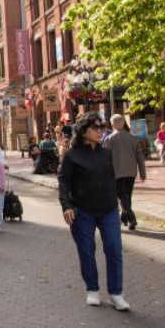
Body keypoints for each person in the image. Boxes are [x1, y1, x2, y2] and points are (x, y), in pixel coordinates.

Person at [58, 113, 129, 311]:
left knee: (114, 249)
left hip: (108, 210)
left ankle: (116, 293)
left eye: (102, 127)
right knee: (87, 251)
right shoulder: (72, 155)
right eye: (96, 127)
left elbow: (112, 179)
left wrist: (124, 205)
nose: (101, 131)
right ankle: (93, 289)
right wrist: (66, 206)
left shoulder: (105, 153)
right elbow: (63, 181)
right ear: (83, 132)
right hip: (83, 212)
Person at [103, 114, 147, 231]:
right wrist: (142, 172)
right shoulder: (133, 138)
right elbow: (140, 157)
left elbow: (105, 158)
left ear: (112, 124)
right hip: (131, 171)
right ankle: (124, 219)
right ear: (123, 123)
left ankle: (131, 218)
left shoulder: (109, 139)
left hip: (116, 173)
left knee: (122, 196)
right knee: (128, 196)